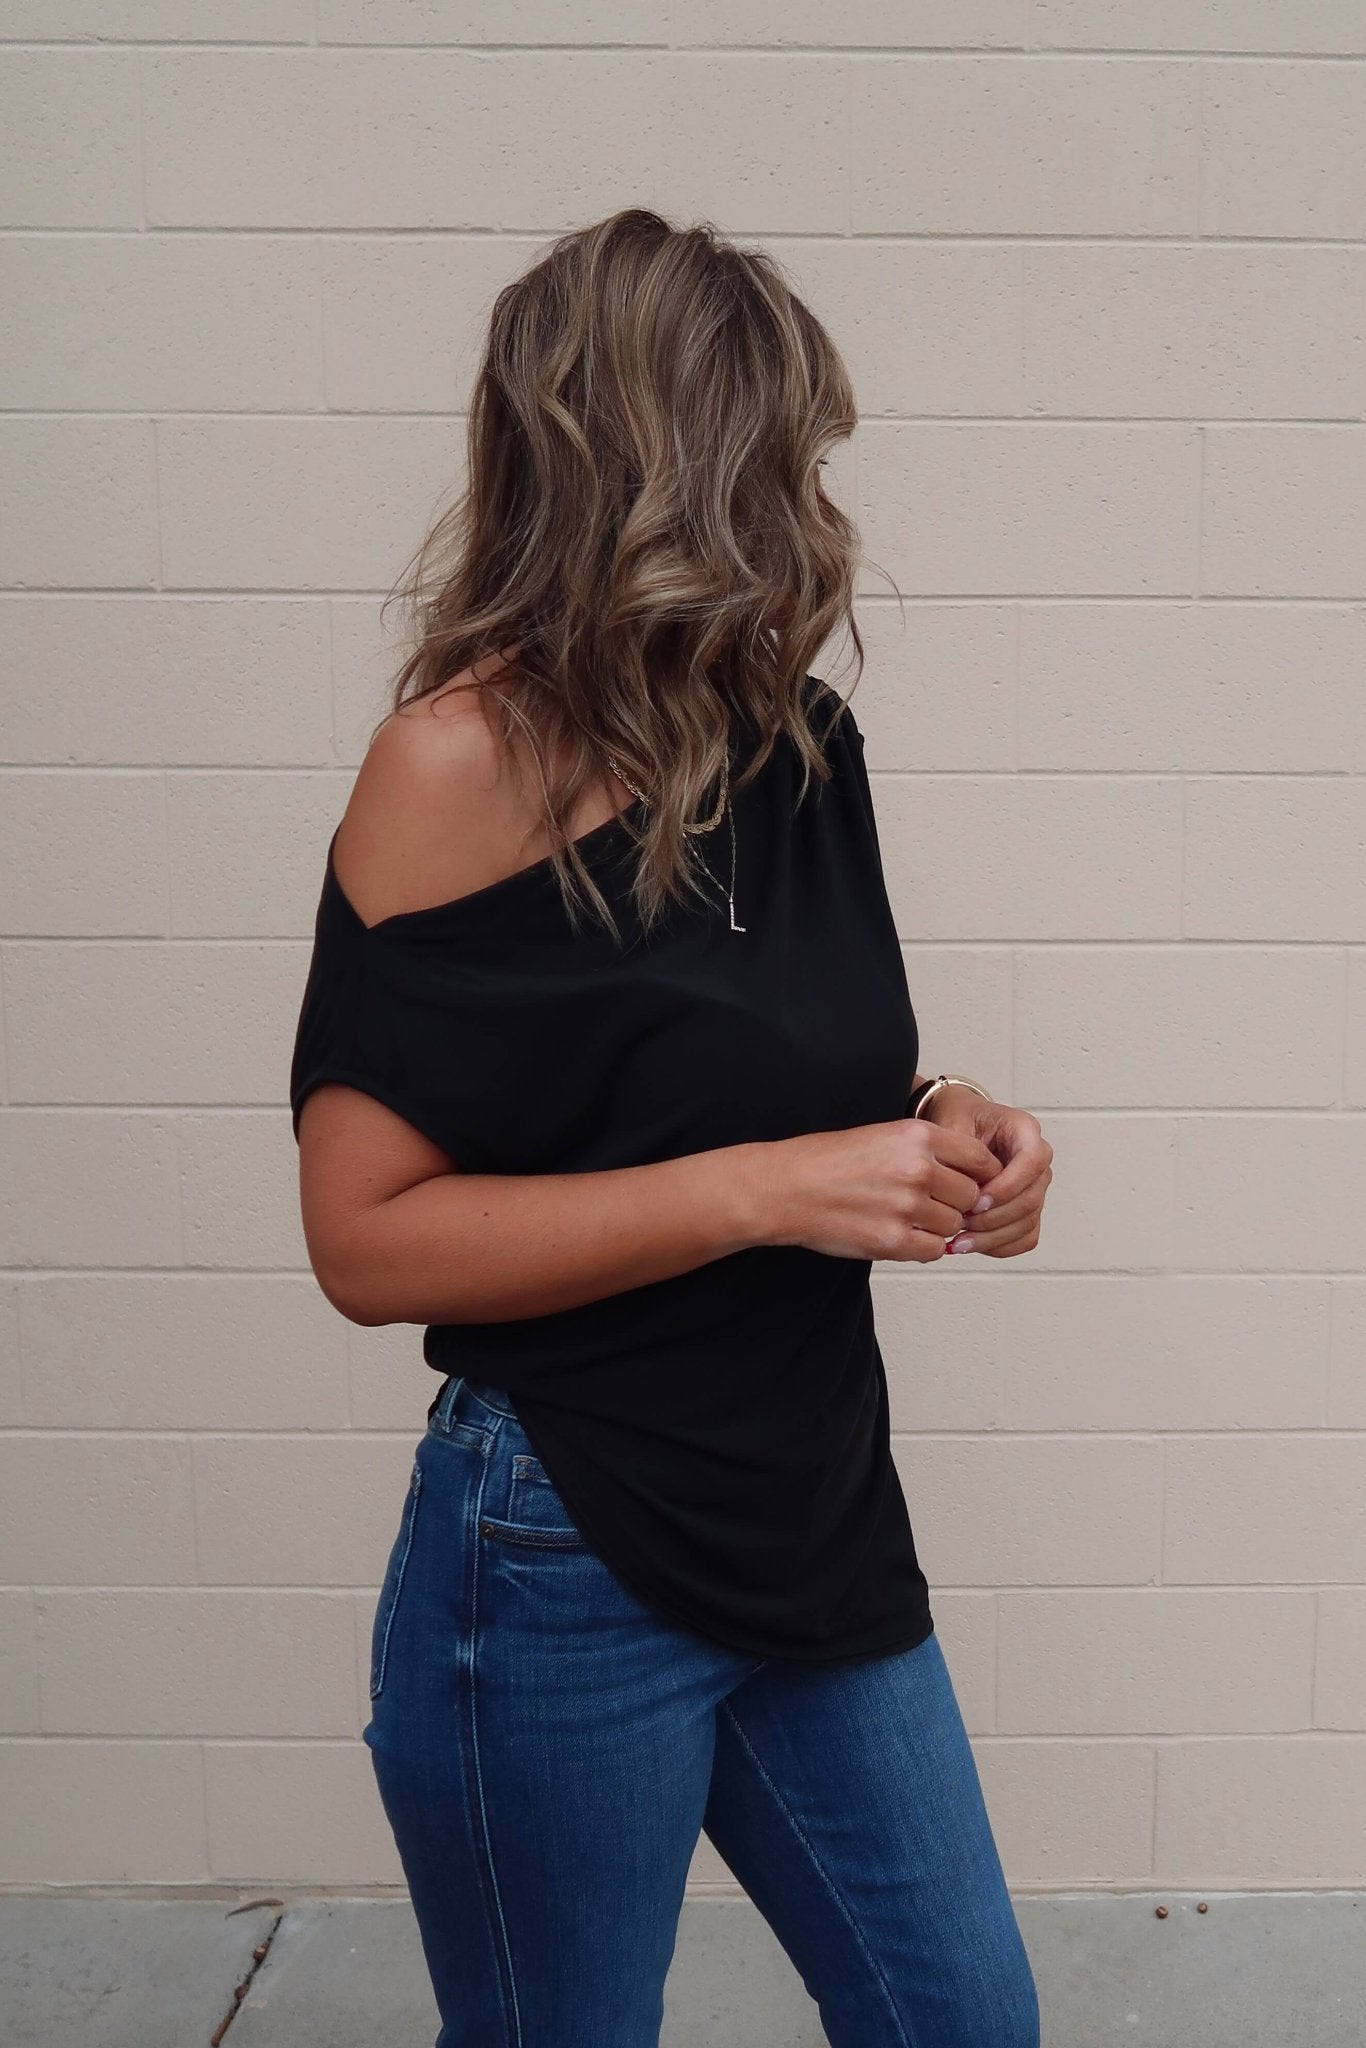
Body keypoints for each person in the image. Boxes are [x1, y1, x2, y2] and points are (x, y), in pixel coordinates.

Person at [290, 207, 1051, 2048]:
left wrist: (947, 1121)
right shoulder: (453, 763)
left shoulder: (797, 741)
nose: (807, 492)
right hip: (561, 1547)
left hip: (811, 1509)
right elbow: (366, 1241)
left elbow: (783, 1070)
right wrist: (765, 1189)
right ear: (654, 463)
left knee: (965, 2024)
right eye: (774, 447)